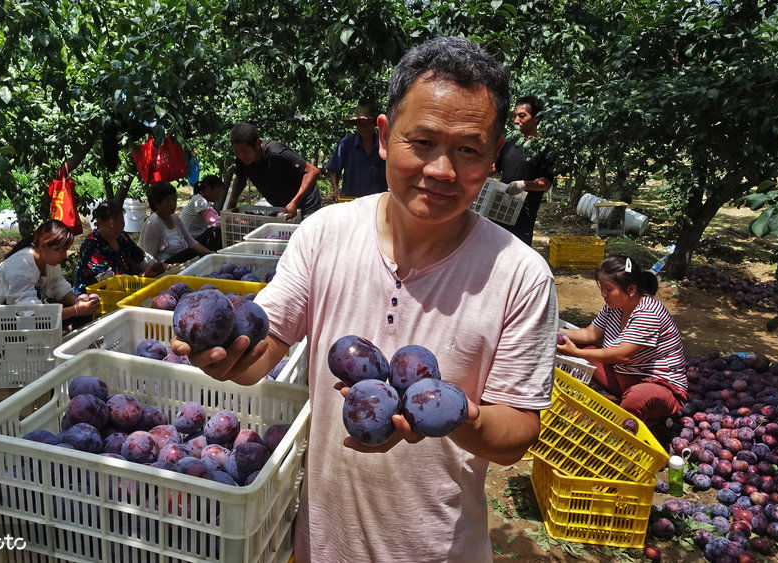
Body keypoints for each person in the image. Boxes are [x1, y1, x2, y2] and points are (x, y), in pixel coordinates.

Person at [172, 37, 558, 562]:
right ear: (383, 136)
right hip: (325, 544)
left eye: (468, 149)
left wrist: (457, 416)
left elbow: (516, 433)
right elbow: (264, 349)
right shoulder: (324, 233)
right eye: (421, 141)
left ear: (493, 157)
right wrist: (230, 359)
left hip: (438, 550)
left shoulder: (522, 275)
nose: (442, 169)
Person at [556, 255, 688, 421]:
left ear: (631, 290)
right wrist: (556, 333)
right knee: (583, 348)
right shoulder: (614, 307)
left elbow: (622, 354)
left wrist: (575, 353)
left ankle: (622, 424)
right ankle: (618, 402)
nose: (603, 294)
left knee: (636, 398)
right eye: (601, 288)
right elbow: (590, 334)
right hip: (623, 378)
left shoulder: (649, 312)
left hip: (658, 386)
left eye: (608, 289)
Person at [0, 219, 99, 328]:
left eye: (65, 250)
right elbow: (31, 314)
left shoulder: (49, 261)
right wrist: (76, 310)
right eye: (61, 251)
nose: (64, 255)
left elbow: (59, 287)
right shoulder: (20, 266)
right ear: (43, 246)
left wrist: (78, 302)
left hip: (22, 316)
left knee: (84, 315)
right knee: (76, 314)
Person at [493, 94, 554, 246]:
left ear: (536, 118)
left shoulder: (544, 149)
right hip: (501, 208)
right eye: (515, 116)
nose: (515, 121)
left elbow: (546, 182)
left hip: (523, 215)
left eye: (521, 116)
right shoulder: (509, 145)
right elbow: (495, 168)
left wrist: (523, 185)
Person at [226, 122, 321, 219]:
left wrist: (294, 202)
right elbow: (241, 178)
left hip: (306, 204)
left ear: (258, 144)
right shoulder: (242, 159)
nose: (242, 156)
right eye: (237, 152)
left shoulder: (277, 153)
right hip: (282, 206)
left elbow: (312, 171)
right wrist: (233, 199)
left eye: (245, 152)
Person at [73, 202, 166, 294]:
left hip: (126, 290)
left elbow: (141, 256)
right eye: (114, 223)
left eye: (122, 221)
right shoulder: (91, 245)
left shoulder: (122, 237)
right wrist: (143, 276)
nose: (119, 227)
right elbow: (110, 280)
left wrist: (157, 266)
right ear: (100, 222)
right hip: (95, 298)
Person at [325, 104, 387, 201]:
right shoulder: (346, 144)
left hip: (376, 202)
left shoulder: (384, 145)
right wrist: (336, 189)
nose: (363, 127)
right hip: (351, 201)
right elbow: (334, 169)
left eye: (366, 123)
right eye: (359, 123)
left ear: (374, 124)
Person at [140, 182, 214, 263]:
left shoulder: (174, 217)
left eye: (174, 199)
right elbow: (149, 260)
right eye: (167, 201)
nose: (172, 204)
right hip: (165, 266)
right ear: (157, 204)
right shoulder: (153, 224)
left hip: (180, 260)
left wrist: (211, 254)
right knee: (192, 253)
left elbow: (191, 242)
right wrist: (168, 267)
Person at [177, 174, 223, 251]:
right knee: (216, 232)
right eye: (218, 191)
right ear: (208, 189)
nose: (220, 194)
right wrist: (234, 221)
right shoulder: (199, 201)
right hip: (187, 242)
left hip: (191, 239)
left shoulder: (202, 201)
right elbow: (214, 221)